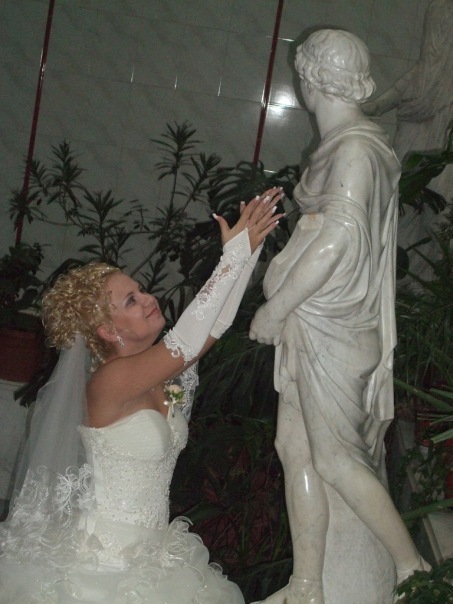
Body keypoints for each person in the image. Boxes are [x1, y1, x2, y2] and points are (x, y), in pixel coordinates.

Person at [0, 188, 284, 603]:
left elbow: (215, 326)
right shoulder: (110, 380)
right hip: (102, 567)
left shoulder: (163, 374)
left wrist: (246, 253)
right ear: (108, 330)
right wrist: (231, 257)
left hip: (155, 560)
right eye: (131, 300)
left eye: (141, 290)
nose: (149, 298)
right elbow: (185, 341)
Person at [249, 30, 429, 604]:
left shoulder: (355, 150)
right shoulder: (346, 146)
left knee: (335, 458)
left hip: (334, 330)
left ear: (311, 80)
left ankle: (413, 571)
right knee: (295, 449)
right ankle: (308, 585)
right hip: (312, 328)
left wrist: (276, 307)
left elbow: (340, 241)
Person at [363, 0, 453, 279]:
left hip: (443, 159)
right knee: (400, 208)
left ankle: (425, 282)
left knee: (437, 215)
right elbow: (403, 87)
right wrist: (374, 106)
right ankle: (395, 279)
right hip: (412, 153)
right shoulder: (427, 71)